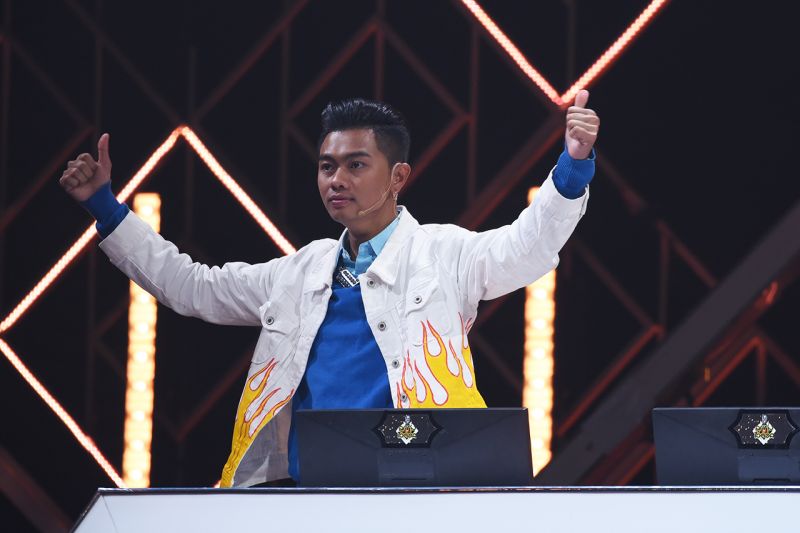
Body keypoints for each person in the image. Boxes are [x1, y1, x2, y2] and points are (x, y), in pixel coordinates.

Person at [59, 92, 599, 487]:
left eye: (356, 165)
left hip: (419, 492)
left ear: (398, 177)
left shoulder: (444, 253)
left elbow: (526, 248)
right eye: (326, 167)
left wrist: (573, 166)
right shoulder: (298, 272)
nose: (336, 179)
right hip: (307, 497)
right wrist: (105, 206)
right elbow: (192, 287)